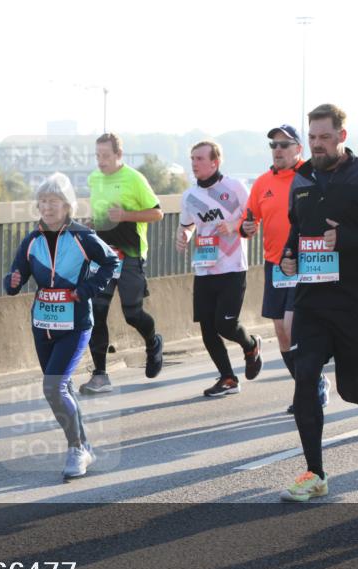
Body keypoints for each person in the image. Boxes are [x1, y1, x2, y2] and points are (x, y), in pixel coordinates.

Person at [278, 104, 358, 502]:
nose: (317, 144)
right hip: (312, 296)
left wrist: (348, 237)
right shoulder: (300, 178)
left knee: (351, 386)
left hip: (356, 297)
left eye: (324, 137)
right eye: (312, 137)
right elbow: (298, 228)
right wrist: (289, 255)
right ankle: (315, 473)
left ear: (341, 137)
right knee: (305, 376)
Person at [4, 173, 120, 478]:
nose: (47, 207)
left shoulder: (83, 237)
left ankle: (76, 450)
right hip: (42, 324)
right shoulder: (32, 240)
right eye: (42, 201)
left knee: (53, 386)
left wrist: (87, 290)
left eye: (53, 201)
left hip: (76, 323)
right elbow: (16, 275)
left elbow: (111, 262)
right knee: (62, 387)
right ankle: (84, 445)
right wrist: (12, 281)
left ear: (67, 205)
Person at [242, 125, 330, 412]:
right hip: (276, 264)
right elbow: (249, 221)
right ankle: (308, 385)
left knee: (293, 327)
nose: (277, 149)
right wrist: (246, 228)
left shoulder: (312, 176)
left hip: (307, 261)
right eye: (273, 145)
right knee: (280, 331)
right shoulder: (262, 183)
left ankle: (310, 388)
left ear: (298, 149)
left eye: (284, 144)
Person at [79, 133, 165, 394]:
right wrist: (93, 224)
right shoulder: (95, 179)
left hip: (130, 255)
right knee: (97, 312)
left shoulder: (134, 179)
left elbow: (157, 213)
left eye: (106, 156)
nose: (101, 161)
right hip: (103, 257)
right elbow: (101, 214)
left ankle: (153, 342)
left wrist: (126, 215)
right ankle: (100, 375)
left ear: (118, 155)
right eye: (97, 156)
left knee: (132, 314)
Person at [175, 140, 262, 397]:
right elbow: (187, 225)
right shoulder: (189, 196)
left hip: (232, 266)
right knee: (207, 329)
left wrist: (234, 225)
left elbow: (253, 216)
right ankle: (228, 378)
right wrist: (184, 236)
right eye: (192, 158)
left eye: (200, 158)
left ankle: (250, 345)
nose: (195, 163)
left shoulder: (234, 187)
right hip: (204, 266)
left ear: (215, 162)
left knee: (225, 324)